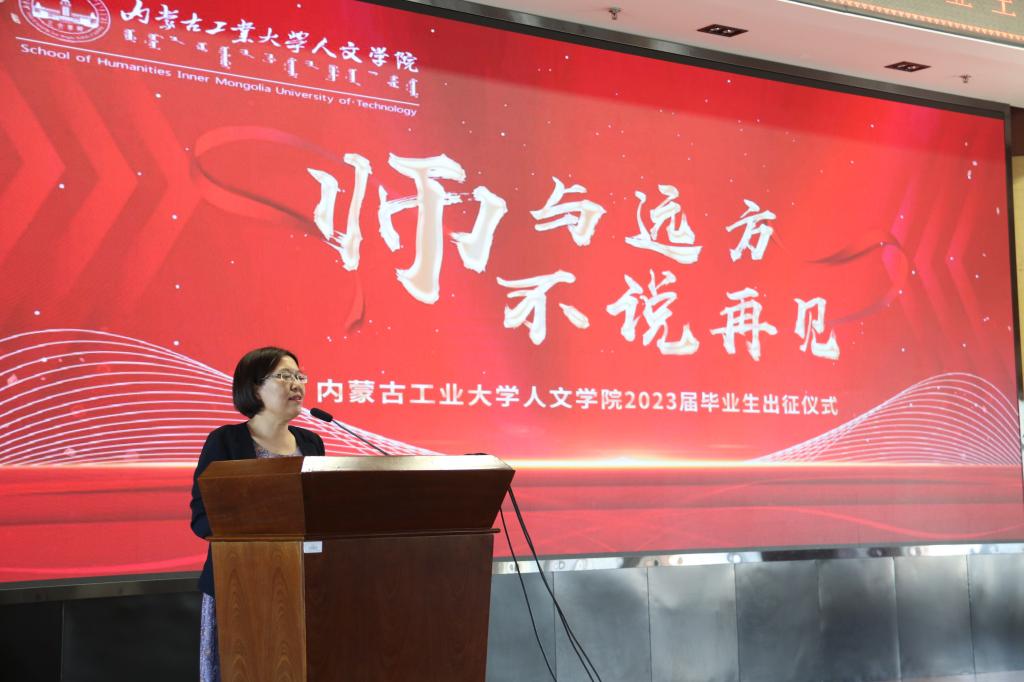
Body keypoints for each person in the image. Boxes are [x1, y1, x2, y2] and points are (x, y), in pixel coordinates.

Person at [189, 347, 325, 682]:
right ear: (254, 388)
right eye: (284, 376)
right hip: (240, 583)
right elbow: (202, 514)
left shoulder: (312, 442)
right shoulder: (225, 441)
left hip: (301, 584)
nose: (296, 384)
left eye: (299, 376)